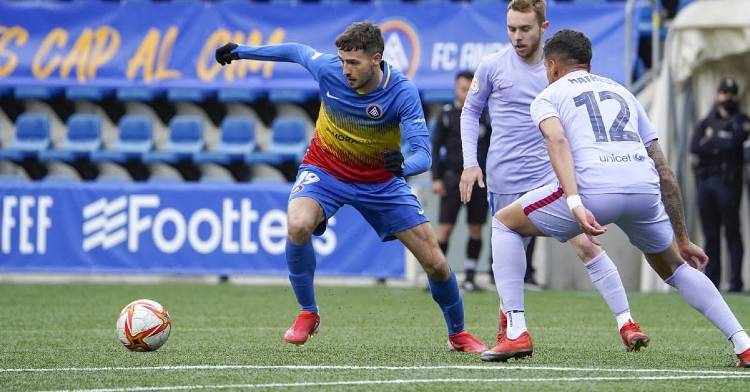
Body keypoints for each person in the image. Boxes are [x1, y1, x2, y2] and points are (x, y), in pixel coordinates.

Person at [215, 21, 487, 352]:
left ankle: (457, 334)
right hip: (326, 170)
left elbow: (423, 155)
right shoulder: (329, 70)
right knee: (298, 224)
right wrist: (241, 52)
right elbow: (296, 52)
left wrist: (404, 165)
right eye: (342, 61)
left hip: (381, 182)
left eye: (353, 62)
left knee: (435, 262)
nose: (345, 69)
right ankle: (308, 312)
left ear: (377, 58)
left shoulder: (401, 91)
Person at [487, 28, 750, 367]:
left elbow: (558, 142)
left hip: (595, 189)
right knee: (675, 267)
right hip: (643, 187)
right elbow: (665, 172)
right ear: (589, 64)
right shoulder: (623, 92)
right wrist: (682, 238)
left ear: (551, 66)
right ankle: (743, 342)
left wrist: (575, 201)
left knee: (505, 224)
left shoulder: (548, 96)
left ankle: (515, 332)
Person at [460, 0, 648, 359]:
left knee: (586, 244)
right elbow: (471, 111)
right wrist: (471, 163)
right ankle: (512, 330)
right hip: (504, 178)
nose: (517, 37)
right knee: (509, 258)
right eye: (511, 29)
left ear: (544, 27)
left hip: (550, 176)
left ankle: (626, 322)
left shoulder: (558, 70)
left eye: (525, 29)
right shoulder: (492, 66)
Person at [432, 71, 491, 292]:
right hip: (452, 179)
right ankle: (438, 277)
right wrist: (436, 178)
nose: (465, 93)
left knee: (475, 229)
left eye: (469, 89)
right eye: (462, 89)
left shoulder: (484, 115)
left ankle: (469, 276)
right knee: (445, 229)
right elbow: (436, 148)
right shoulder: (447, 115)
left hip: (479, 181)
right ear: (456, 88)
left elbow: (491, 145)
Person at [690, 78, 749, 292]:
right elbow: (695, 147)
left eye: (731, 94)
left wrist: (712, 143)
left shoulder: (741, 121)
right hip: (706, 182)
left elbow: (734, 143)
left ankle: (735, 283)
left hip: (728, 182)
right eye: (724, 93)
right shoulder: (707, 121)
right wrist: (719, 143)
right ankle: (712, 282)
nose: (727, 98)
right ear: (718, 94)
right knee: (710, 234)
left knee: (732, 232)